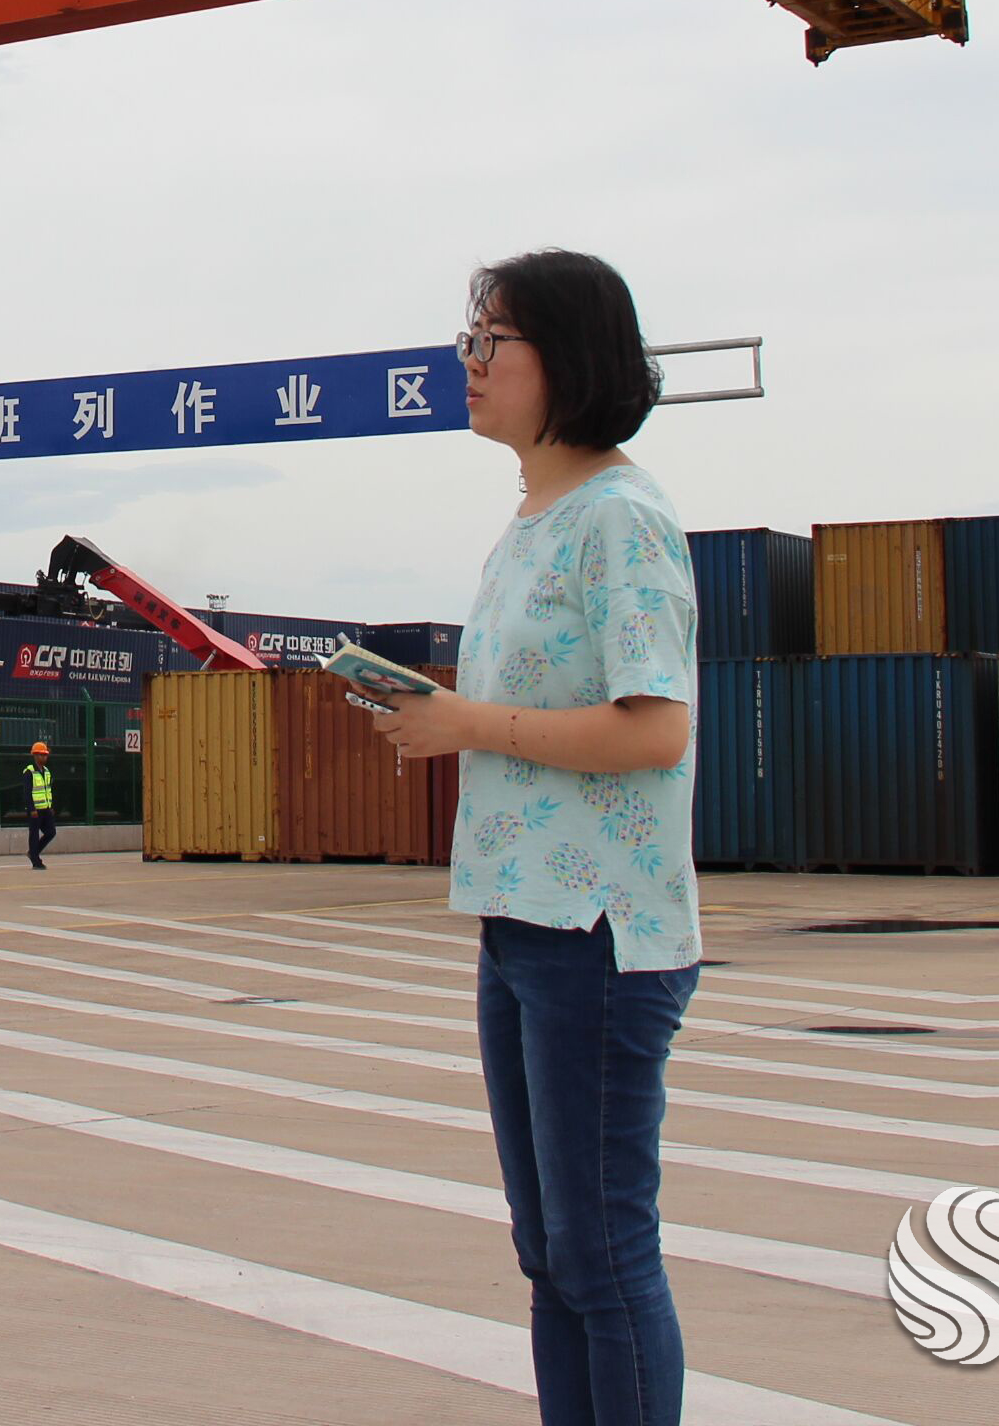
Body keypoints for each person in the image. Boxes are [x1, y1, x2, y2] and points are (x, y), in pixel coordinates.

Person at [369, 249, 700, 1426]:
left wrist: (466, 722)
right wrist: (442, 717)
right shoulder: (528, 523)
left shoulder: (622, 519)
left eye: (489, 342)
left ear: (568, 358)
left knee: (602, 1253)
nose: (467, 363)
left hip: (598, 932)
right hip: (518, 924)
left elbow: (656, 729)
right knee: (551, 1255)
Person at [24, 737, 58, 868]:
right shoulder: (29, 772)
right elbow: (27, 792)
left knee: (51, 832)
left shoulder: (47, 772)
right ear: (35, 756)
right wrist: (31, 809)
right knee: (34, 835)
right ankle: (36, 861)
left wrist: (51, 806)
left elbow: (48, 790)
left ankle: (33, 852)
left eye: (45, 755)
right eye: (41, 755)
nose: (44, 757)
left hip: (46, 808)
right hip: (35, 810)